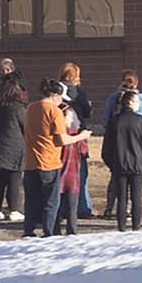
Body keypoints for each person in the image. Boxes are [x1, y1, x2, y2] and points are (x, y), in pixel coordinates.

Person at [23, 78, 92, 237]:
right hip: (49, 162)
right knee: (51, 202)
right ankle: (50, 233)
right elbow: (62, 140)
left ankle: (29, 231)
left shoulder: (31, 108)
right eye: (61, 98)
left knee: (31, 201)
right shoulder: (54, 111)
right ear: (55, 95)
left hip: (30, 162)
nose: (61, 101)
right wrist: (81, 136)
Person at [100, 70, 142, 219]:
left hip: (117, 140)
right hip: (137, 139)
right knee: (134, 185)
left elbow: (105, 118)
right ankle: (129, 211)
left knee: (116, 179)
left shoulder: (113, 98)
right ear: (136, 82)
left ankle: (110, 208)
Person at [0, 78, 27, 221]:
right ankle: (14, 209)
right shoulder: (18, 108)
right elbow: (26, 127)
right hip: (14, 149)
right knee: (14, 179)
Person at [58, 62, 96, 219]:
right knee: (80, 172)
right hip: (78, 134)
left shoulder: (56, 89)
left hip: (60, 133)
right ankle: (82, 207)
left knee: (61, 173)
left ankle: (61, 208)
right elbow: (87, 113)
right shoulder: (79, 92)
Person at [54, 82, 89, 236]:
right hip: (69, 174)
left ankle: (64, 229)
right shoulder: (70, 135)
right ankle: (68, 230)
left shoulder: (67, 134)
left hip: (66, 174)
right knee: (67, 206)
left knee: (62, 206)